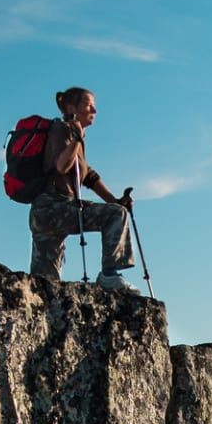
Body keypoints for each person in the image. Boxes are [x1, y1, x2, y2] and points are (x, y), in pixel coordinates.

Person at [29, 87, 136, 291]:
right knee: (116, 215)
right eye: (88, 105)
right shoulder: (61, 130)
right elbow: (62, 166)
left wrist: (115, 200)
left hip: (44, 213)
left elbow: (88, 176)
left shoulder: (71, 136)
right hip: (55, 206)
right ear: (72, 108)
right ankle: (109, 274)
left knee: (45, 284)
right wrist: (77, 139)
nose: (94, 110)